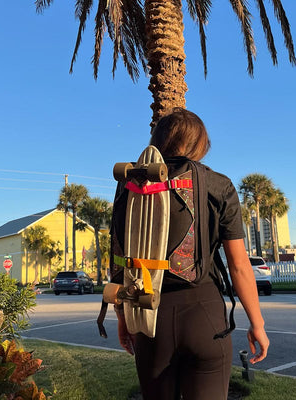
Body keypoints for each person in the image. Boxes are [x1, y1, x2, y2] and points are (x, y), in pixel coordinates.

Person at [110, 107, 269, 400]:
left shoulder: (130, 184)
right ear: (200, 145)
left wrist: (123, 315)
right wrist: (256, 324)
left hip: (147, 313)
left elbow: (121, 253)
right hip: (203, 316)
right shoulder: (218, 185)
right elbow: (239, 266)